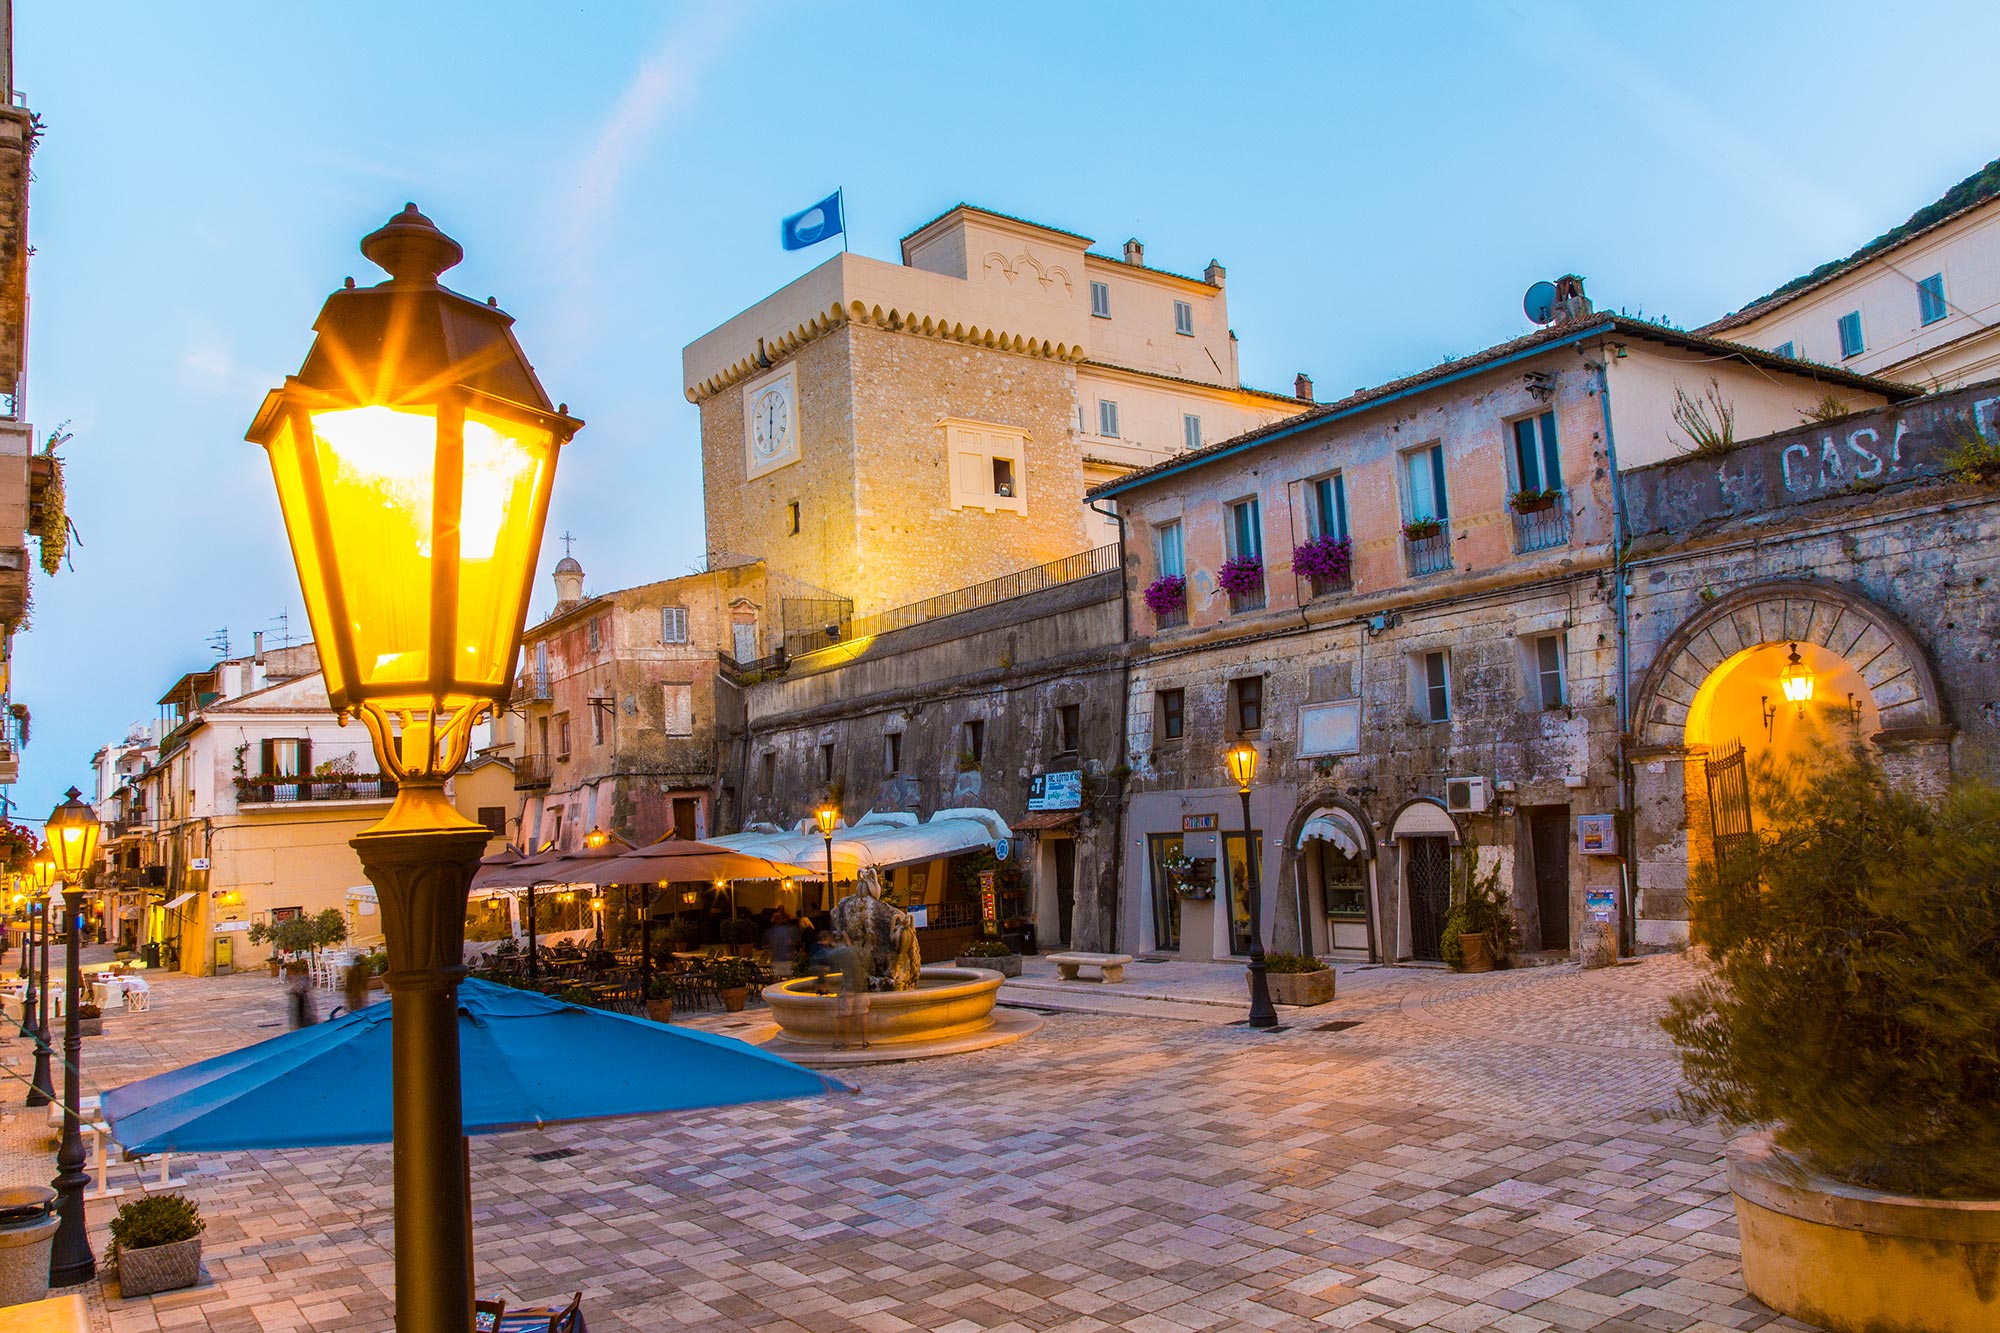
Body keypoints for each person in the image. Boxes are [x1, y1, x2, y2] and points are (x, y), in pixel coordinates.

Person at [826, 931, 869, 1050]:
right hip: (862, 986)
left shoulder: (839, 951)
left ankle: (844, 1042)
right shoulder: (855, 950)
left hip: (849, 986)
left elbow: (827, 958)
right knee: (863, 1013)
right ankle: (865, 1041)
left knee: (844, 1015)